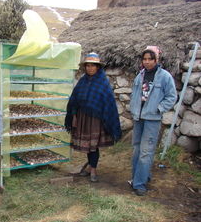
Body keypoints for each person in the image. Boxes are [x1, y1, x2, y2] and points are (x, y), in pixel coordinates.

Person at [65, 52, 122, 182]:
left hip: (96, 120)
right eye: (88, 66)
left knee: (93, 145)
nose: (90, 68)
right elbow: (74, 100)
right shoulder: (82, 81)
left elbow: (108, 103)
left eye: (93, 66)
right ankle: (90, 166)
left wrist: (105, 119)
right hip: (83, 119)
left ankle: (93, 169)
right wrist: (73, 115)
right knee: (87, 145)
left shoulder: (102, 82)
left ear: (98, 67)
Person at [129, 46, 177, 196]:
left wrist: (159, 108)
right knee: (137, 149)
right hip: (139, 118)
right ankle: (138, 177)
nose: (147, 62)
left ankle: (140, 184)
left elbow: (172, 96)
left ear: (157, 60)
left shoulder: (164, 76)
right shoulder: (140, 75)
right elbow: (135, 94)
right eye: (145, 59)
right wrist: (133, 108)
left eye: (150, 59)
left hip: (152, 119)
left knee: (146, 151)